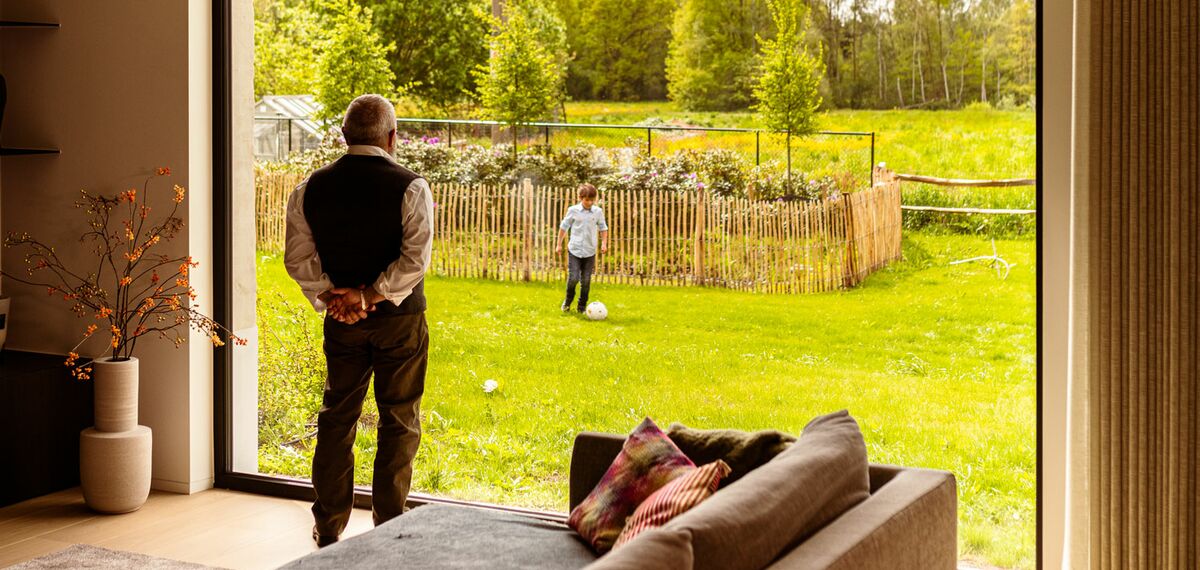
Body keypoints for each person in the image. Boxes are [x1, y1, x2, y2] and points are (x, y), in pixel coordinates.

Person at [284, 94, 434, 547]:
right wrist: (371, 295)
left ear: (344, 136)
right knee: (399, 420)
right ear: (392, 138)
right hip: (399, 323)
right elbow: (416, 260)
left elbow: (298, 258)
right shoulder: (411, 186)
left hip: (342, 323)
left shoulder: (310, 187)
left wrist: (334, 297)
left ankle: (328, 526)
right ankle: (389, 529)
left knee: (337, 418)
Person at [554, 183, 609, 313]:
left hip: (590, 251)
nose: (589, 202)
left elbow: (603, 228)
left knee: (586, 280)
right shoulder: (573, 210)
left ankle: (582, 307)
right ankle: (567, 302)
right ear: (580, 197)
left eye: (592, 200)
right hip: (575, 250)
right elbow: (564, 227)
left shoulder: (598, 212)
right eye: (587, 200)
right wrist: (558, 244)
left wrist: (604, 243)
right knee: (573, 278)